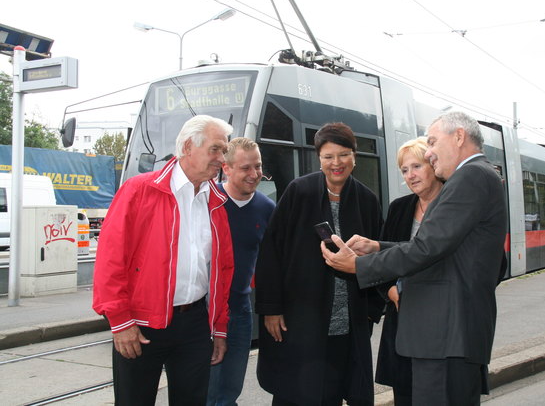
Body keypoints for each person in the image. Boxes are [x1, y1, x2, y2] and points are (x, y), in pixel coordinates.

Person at [321, 112, 508, 406]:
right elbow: (442, 250)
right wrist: (377, 247)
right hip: (446, 335)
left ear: (459, 137)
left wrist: (358, 266)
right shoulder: (479, 175)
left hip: (445, 334)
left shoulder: (469, 176)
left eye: (433, 142)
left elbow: (427, 248)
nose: (430, 151)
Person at [92, 115, 235, 406]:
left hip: (195, 324)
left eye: (224, 151)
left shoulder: (215, 201)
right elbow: (110, 259)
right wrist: (120, 322)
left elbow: (223, 269)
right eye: (215, 149)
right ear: (186, 147)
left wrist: (219, 327)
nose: (222, 158)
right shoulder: (139, 190)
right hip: (141, 323)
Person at [255, 122, 384, 406]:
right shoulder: (298, 192)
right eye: (328, 156)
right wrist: (271, 309)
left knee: (333, 394)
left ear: (354, 156)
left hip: (347, 325)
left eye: (343, 155)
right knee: (295, 393)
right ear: (319, 159)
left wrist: (371, 312)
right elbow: (271, 252)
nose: (336, 163)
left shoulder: (367, 200)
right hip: (300, 321)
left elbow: (380, 259)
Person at [375, 137, 443, 406]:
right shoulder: (399, 208)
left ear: (433, 165)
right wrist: (390, 290)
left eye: (416, 166)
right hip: (402, 320)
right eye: (404, 169)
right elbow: (383, 260)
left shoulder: (453, 203)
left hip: (441, 323)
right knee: (405, 393)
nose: (410, 175)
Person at [207, 138, 275, 406]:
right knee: (207, 390)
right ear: (227, 168)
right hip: (206, 311)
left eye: (258, 166)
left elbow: (274, 262)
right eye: (246, 168)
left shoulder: (267, 209)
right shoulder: (208, 201)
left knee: (230, 388)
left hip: (240, 309)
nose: (255, 174)